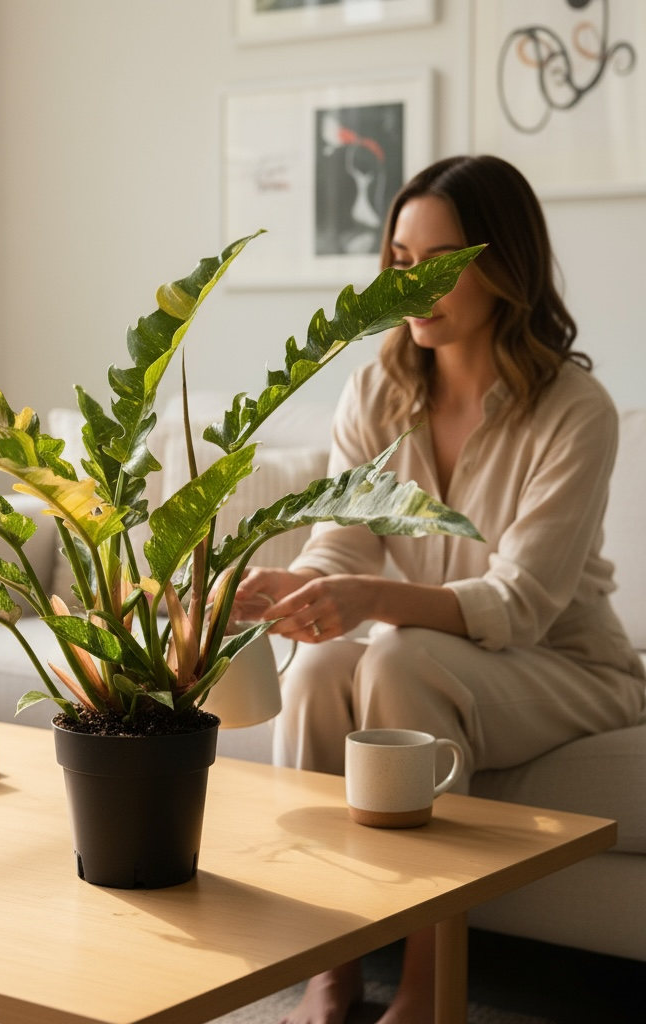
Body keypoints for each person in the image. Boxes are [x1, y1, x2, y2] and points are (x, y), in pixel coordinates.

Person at [232, 154, 646, 1024]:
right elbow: (340, 543)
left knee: (400, 660)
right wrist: (284, 593)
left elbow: (522, 600)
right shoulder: (379, 392)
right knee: (313, 673)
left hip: (567, 666)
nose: (413, 284)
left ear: (502, 266)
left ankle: (425, 988)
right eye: (398, 259)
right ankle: (329, 973)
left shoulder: (578, 411)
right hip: (435, 657)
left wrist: (373, 603)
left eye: (440, 260)